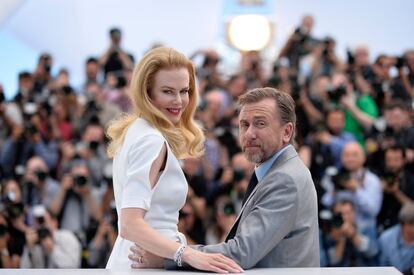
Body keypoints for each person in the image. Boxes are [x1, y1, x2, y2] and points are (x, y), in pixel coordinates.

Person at [131, 87, 320, 269]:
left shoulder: (285, 179)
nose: (249, 134)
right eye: (244, 125)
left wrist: (170, 256)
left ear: (287, 132)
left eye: (260, 123)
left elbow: (241, 253)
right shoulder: (281, 172)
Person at [105, 47, 242, 273]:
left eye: (184, 91)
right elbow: (129, 224)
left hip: (141, 260)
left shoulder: (137, 131)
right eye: (168, 91)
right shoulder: (150, 140)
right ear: (147, 92)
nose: (179, 101)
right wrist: (187, 254)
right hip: (144, 263)